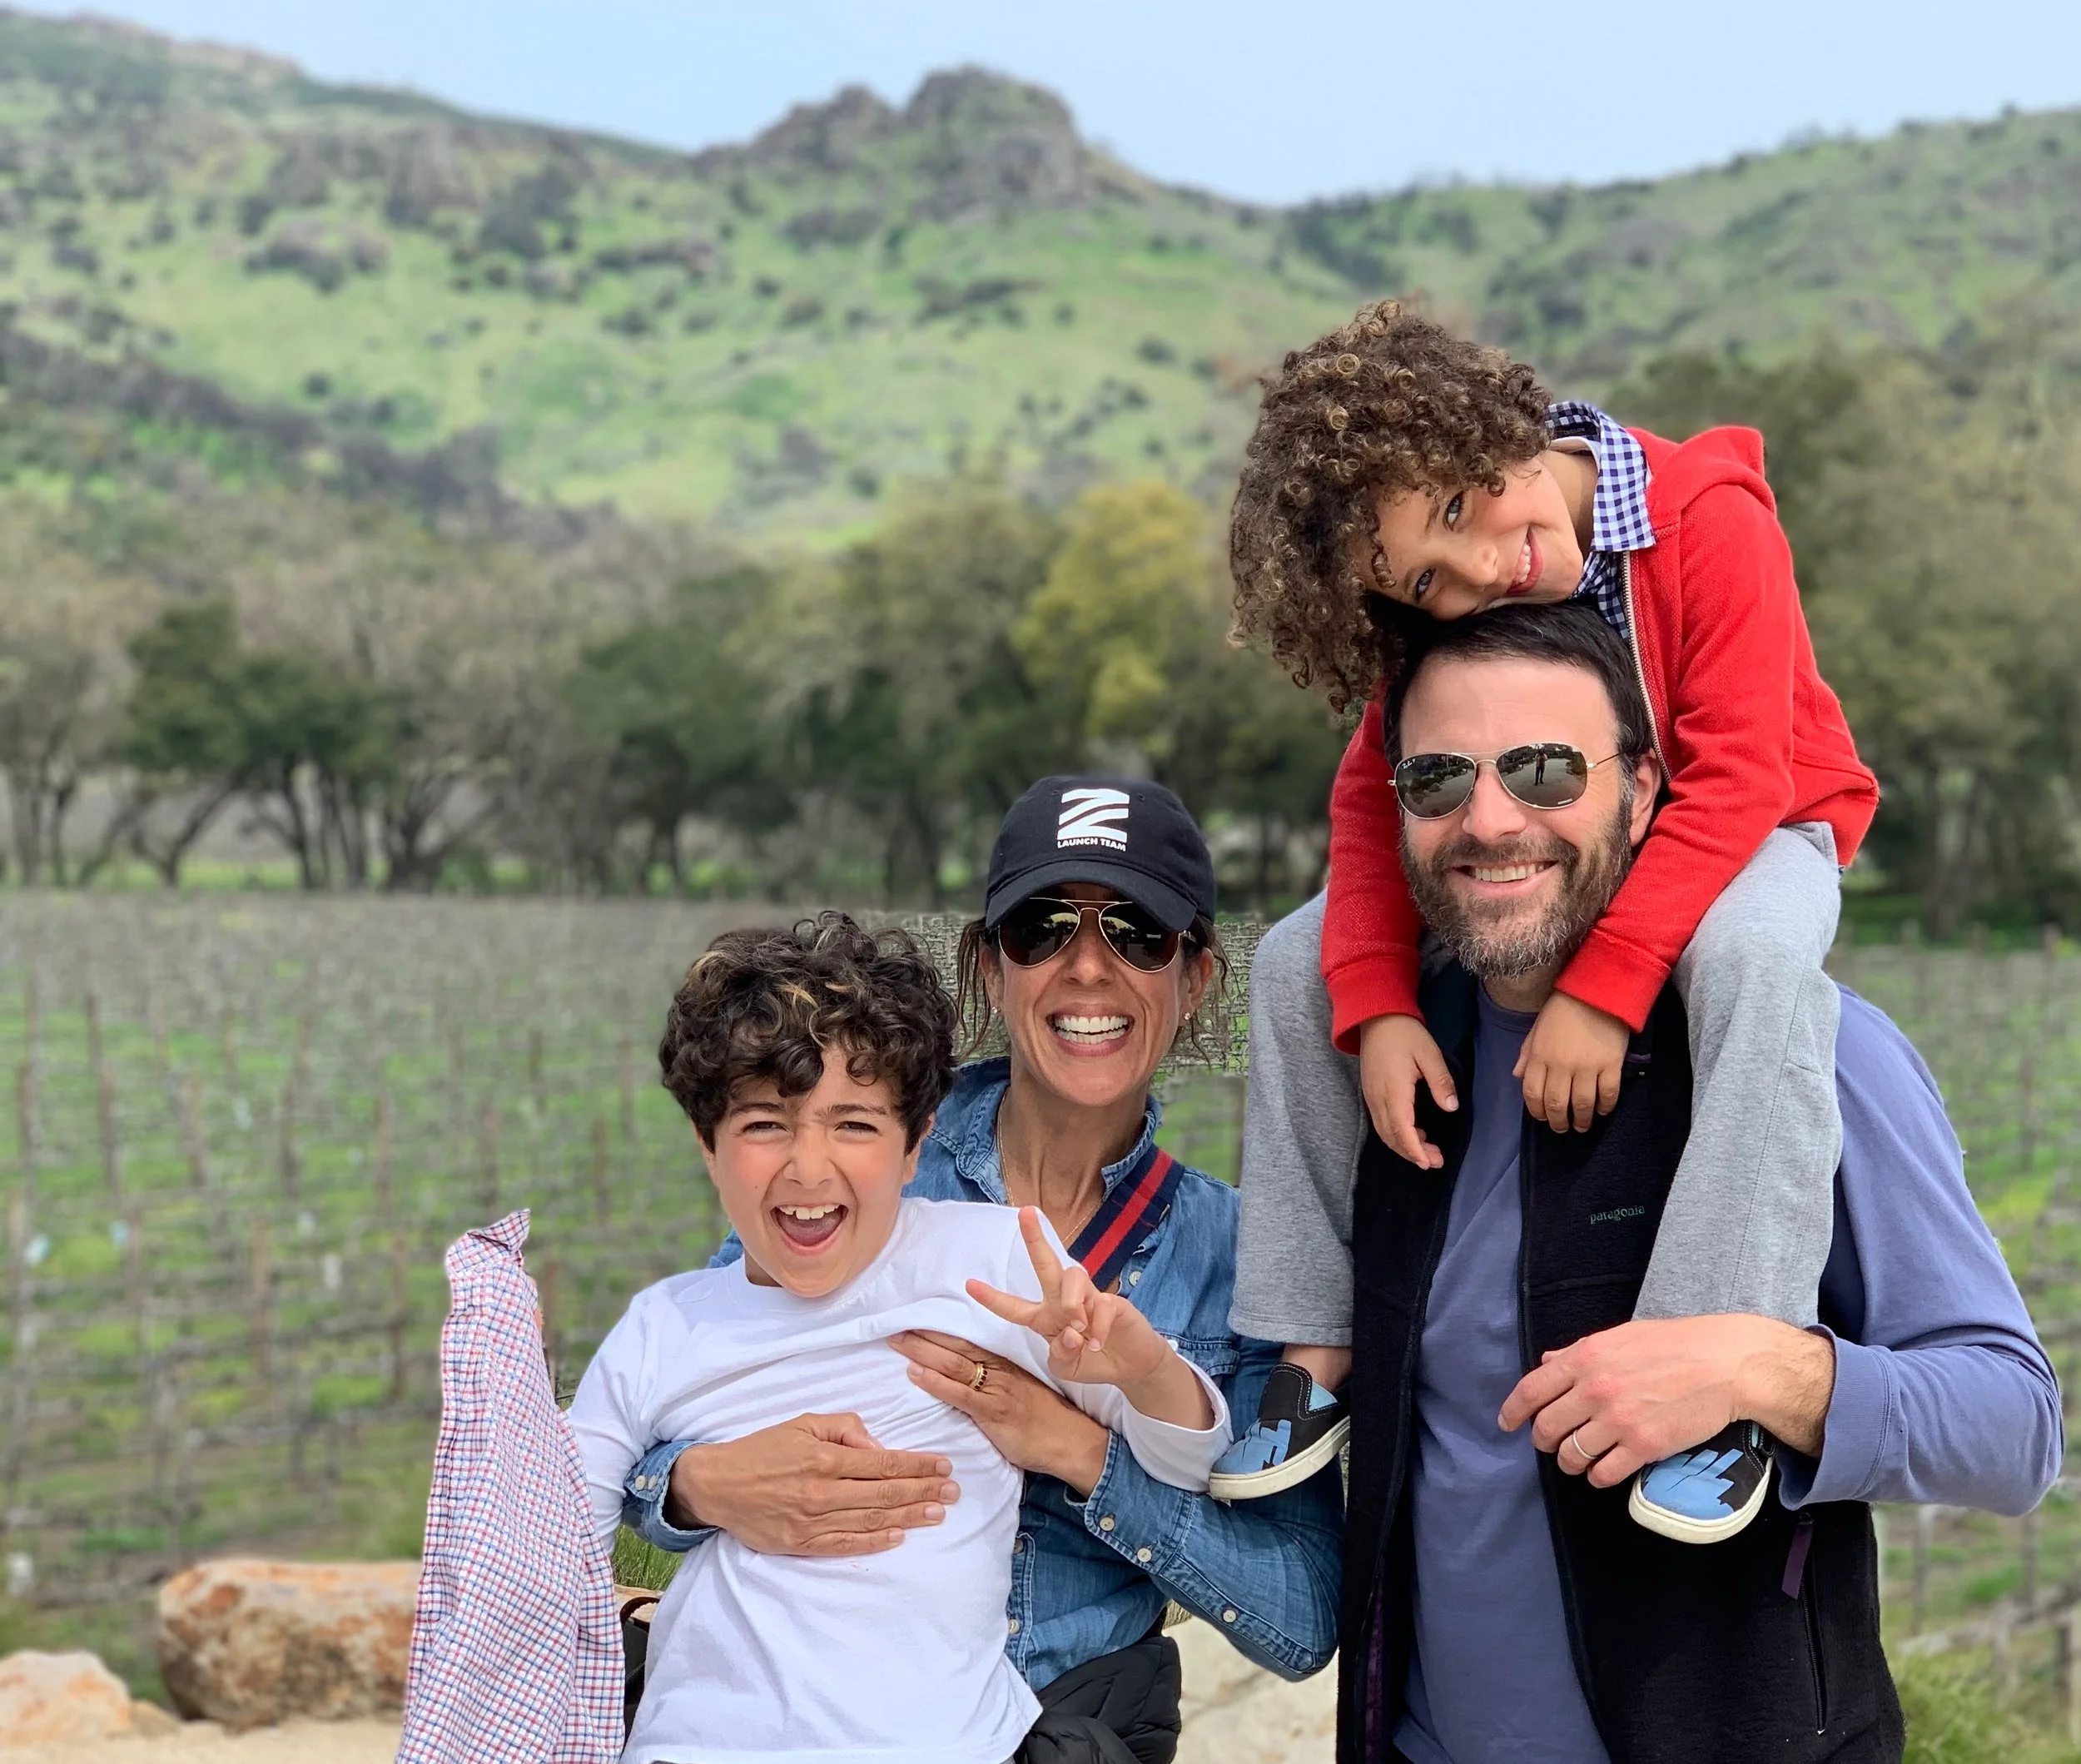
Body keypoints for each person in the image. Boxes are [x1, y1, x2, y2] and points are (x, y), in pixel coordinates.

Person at [1246, 602, 2059, 1763]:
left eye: (1543, 769)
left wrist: (1763, 1370)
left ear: (1640, 791)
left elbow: (2013, 1426)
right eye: (1438, 777)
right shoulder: (1380, 1066)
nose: (1490, 819)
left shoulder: (1805, 1054)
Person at [1214, 300, 1880, 1541]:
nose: (1479, 573)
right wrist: (1377, 1004)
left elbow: (1738, 775)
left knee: (1749, 951)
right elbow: (1367, 798)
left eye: (1458, 506)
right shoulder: (1459, 613)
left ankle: (1716, 1363)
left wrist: (1603, 989)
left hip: (1757, 825)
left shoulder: (1705, 518)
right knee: (1297, 955)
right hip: (1559, 847)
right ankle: (1312, 1351)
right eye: (1426, 577)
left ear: (1488, 425)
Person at [621, 777, 1343, 1764]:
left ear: (1195, 980)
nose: (1086, 966)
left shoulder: (1233, 1255)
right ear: (990, 969)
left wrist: (1079, 1452)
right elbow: (649, 1435)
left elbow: (1300, 1615)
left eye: (1137, 933)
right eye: (1041, 929)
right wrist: (700, 1485)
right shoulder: (866, 1160)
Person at [567, 913, 1230, 1764]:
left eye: (854, 1124)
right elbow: (552, 1538)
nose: (809, 1167)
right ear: (708, 1144)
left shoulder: (988, 1261)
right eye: (765, 1124)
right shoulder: (663, 1327)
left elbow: (1183, 1459)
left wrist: (1140, 1370)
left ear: (916, 1144)